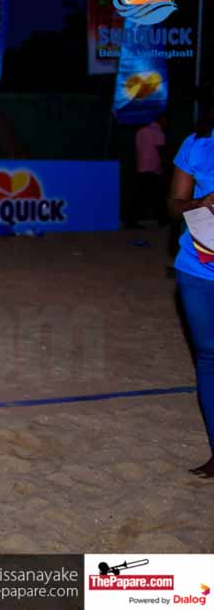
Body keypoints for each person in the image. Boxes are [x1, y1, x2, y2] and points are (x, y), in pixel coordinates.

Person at [168, 89, 214, 479]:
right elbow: (175, 204)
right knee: (210, 359)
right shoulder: (197, 144)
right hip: (197, 267)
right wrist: (201, 203)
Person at [133, 113, 169, 226]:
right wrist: (166, 165)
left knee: (141, 195)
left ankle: (131, 219)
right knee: (158, 195)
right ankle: (162, 219)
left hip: (141, 167)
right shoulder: (157, 132)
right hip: (154, 168)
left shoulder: (140, 131)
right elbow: (161, 150)